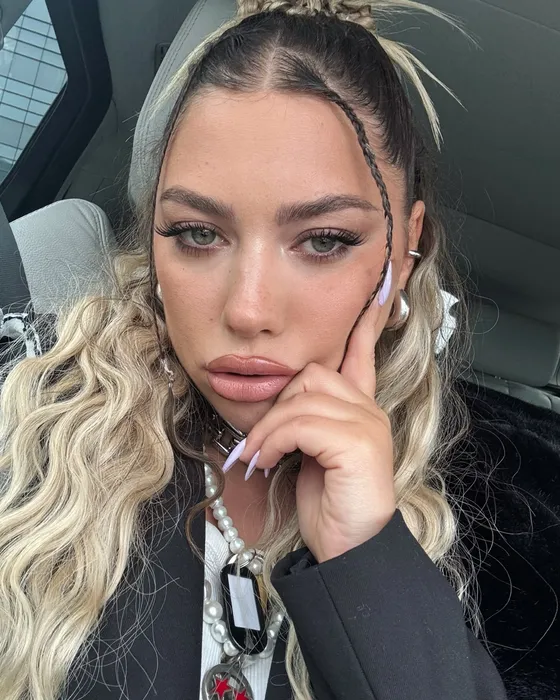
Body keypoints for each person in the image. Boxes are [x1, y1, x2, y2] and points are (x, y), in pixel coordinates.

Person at [0, 0, 510, 698]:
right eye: (197, 233)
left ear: (404, 251)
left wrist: (364, 555)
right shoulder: (34, 437)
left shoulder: (409, 544)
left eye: (324, 240)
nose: (247, 310)